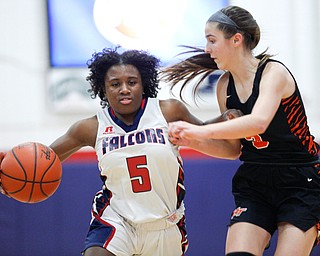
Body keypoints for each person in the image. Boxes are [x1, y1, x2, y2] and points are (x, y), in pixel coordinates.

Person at [0, 47, 237, 256]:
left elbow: (204, 132)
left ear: (143, 84)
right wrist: (11, 180)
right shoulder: (90, 127)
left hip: (165, 224)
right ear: (103, 88)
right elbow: (45, 160)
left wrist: (228, 120)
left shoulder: (168, 111)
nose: (124, 89)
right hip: (116, 220)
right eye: (115, 84)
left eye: (132, 82)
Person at [161, 5, 320, 256]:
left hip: (300, 180)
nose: (207, 49)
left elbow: (258, 122)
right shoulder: (224, 85)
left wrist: (200, 130)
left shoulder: (273, 72)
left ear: (236, 39)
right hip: (255, 181)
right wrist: (190, 140)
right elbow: (233, 149)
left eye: (212, 40)